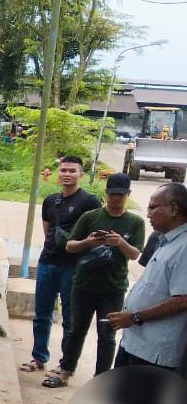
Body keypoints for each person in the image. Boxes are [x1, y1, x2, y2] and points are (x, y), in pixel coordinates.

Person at [44, 173, 145, 387]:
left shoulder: (135, 222)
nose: (115, 199)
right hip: (84, 283)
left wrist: (120, 243)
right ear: (105, 194)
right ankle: (66, 370)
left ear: (128, 195)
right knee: (75, 329)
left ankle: (101, 381)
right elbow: (70, 246)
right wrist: (88, 242)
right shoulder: (91, 217)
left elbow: (135, 255)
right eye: (111, 195)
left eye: (120, 195)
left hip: (114, 287)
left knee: (107, 334)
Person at [21, 156, 101, 373]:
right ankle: (38, 358)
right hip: (47, 263)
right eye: (63, 170)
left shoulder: (90, 202)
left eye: (72, 171)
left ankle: (66, 364)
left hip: (73, 267)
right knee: (41, 315)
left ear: (81, 175)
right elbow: (48, 231)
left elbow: (95, 236)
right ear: (58, 173)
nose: (67, 174)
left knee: (70, 318)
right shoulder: (50, 201)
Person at [107, 181, 187, 372]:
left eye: (153, 207)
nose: (148, 213)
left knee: (142, 401)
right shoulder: (165, 239)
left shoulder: (184, 247)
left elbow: (183, 300)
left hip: (154, 352)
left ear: (174, 209)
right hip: (135, 342)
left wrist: (135, 317)